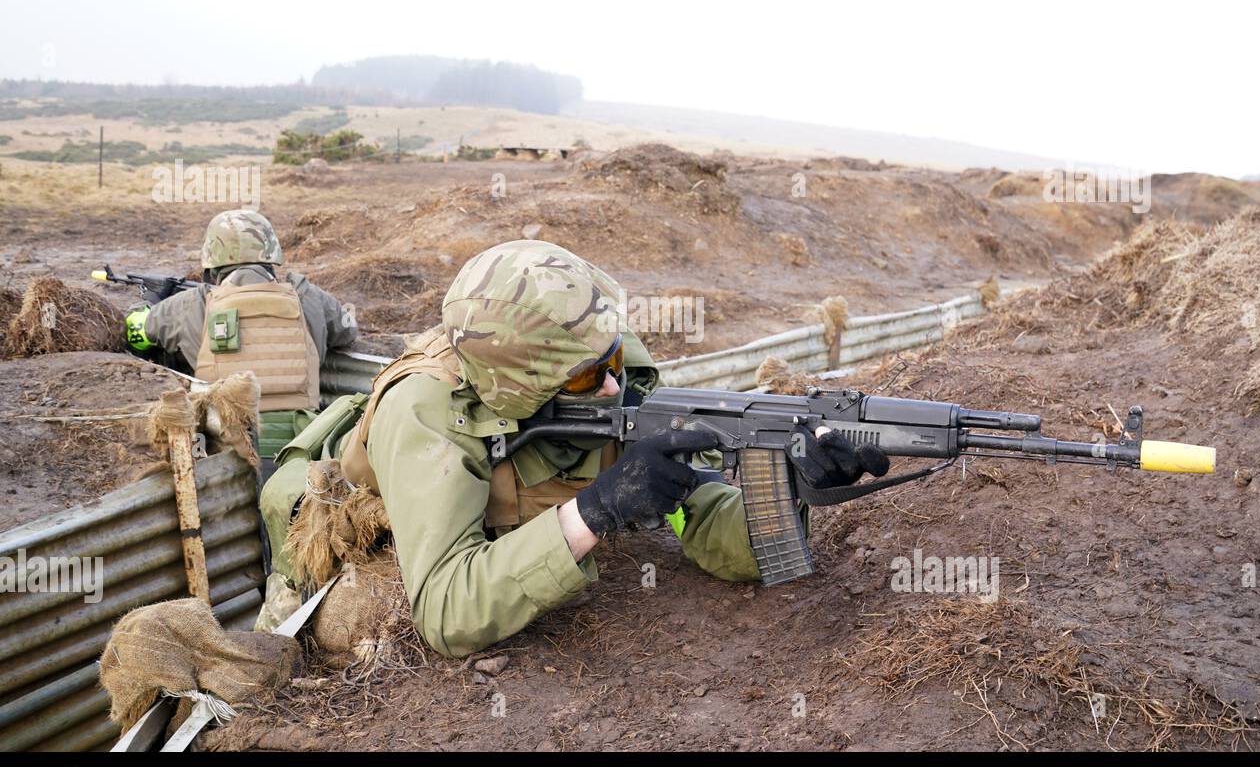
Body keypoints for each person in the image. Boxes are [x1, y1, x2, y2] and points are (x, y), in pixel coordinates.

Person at [261, 240, 887, 656]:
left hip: (504, 509)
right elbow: (446, 611)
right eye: (591, 378)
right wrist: (594, 513)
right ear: (522, 388)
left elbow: (697, 516)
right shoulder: (427, 412)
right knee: (299, 649)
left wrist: (791, 485)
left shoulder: (602, 359)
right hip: (356, 516)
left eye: (611, 359)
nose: (615, 385)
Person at [124, 209, 358, 472]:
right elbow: (347, 330)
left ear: (212, 263)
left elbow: (136, 332)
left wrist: (152, 307)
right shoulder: (309, 297)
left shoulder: (191, 304)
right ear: (271, 255)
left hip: (228, 450)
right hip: (303, 448)